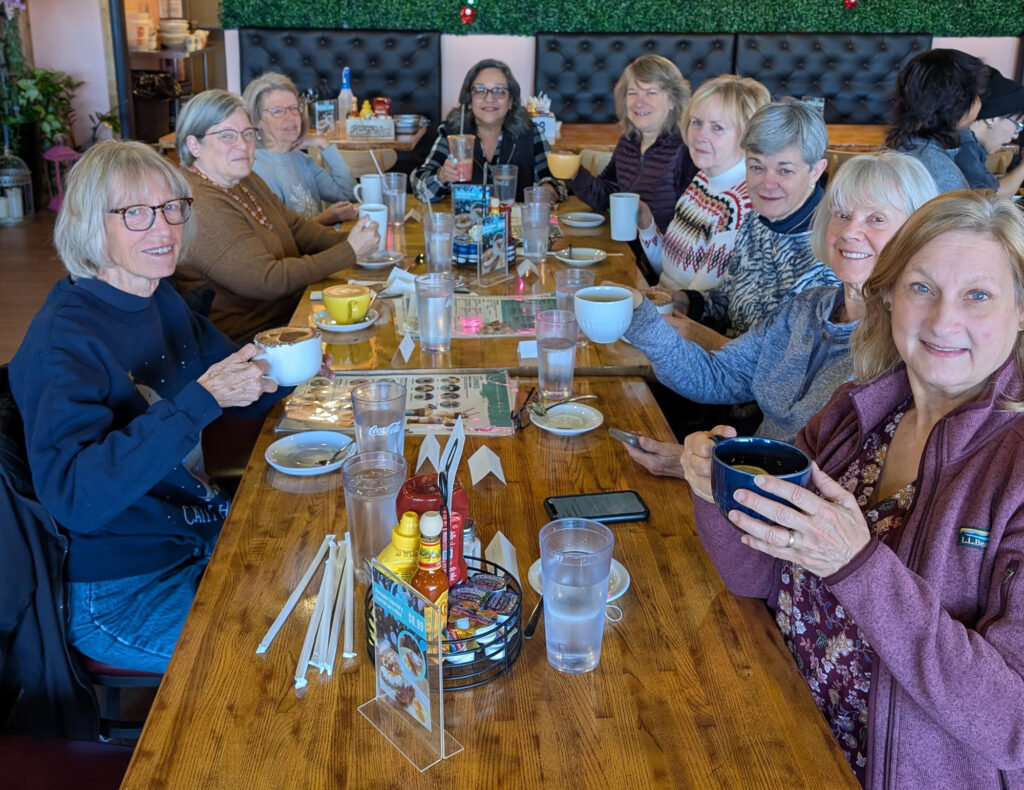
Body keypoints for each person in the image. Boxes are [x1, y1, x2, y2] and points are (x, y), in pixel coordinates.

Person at [684, 190, 1024, 788]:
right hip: (774, 729)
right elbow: (760, 576)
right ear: (887, 294)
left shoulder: (1013, 467)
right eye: (922, 288)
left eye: (978, 295)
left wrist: (858, 565)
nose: (945, 320)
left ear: (1020, 312)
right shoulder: (857, 410)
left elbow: (1014, 724)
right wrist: (716, 491)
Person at [8, 140, 281, 673]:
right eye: (135, 213)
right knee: (289, 656)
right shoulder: (63, 341)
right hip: (121, 591)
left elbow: (240, 385)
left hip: (195, 532)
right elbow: (76, 497)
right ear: (91, 222)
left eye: (171, 208)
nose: (163, 228)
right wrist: (200, 401)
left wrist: (296, 377)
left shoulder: (157, 294)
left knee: (337, 590)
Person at [622, 152, 937, 477]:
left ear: (915, 234)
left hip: (785, 511)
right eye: (842, 214)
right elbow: (718, 376)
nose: (849, 231)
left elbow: (835, 479)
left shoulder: (906, 345)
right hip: (742, 485)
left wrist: (714, 470)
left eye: (877, 219)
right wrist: (636, 316)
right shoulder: (807, 307)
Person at [174, 89, 379, 342]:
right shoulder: (199, 202)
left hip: (293, 312)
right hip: (252, 341)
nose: (242, 145)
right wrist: (349, 251)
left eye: (248, 134)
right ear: (194, 144)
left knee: (381, 312)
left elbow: (294, 226)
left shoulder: (243, 179)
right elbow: (266, 280)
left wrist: (355, 242)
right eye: (227, 135)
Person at [665, 99, 838, 351]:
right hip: (721, 366)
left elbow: (788, 372)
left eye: (785, 171)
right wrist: (682, 301)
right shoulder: (756, 221)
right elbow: (729, 300)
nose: (766, 184)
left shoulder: (828, 254)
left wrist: (706, 339)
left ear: (815, 171)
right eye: (756, 166)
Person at [636, 75, 770, 291]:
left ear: (748, 135)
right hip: (664, 305)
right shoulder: (704, 179)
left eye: (717, 127)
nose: (699, 136)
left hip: (681, 320)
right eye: (696, 122)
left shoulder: (740, 204)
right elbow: (668, 272)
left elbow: (697, 303)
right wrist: (647, 225)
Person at [566, 54, 698, 233]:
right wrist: (573, 172)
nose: (639, 102)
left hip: (663, 256)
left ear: (672, 101)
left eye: (651, 93)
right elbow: (605, 196)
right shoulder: (629, 142)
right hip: (627, 249)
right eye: (632, 93)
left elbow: (692, 225)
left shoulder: (686, 149)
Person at [410, 59, 565, 204]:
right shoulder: (453, 132)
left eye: (499, 90)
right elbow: (419, 186)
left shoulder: (530, 132)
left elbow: (555, 181)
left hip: (516, 228)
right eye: (480, 90)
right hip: (466, 226)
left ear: (511, 101)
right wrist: (441, 176)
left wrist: (549, 190)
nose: (489, 98)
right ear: (470, 100)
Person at [243, 71, 358, 225]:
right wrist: (324, 220)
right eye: (277, 111)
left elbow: (347, 194)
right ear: (256, 120)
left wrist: (323, 143)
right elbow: (279, 237)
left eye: (293, 108)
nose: (290, 117)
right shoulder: (254, 169)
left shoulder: (301, 159)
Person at [885, 49, 989, 193]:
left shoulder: (908, 142)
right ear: (955, 102)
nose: (979, 102)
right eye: (977, 95)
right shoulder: (943, 175)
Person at [954, 66, 1024, 195]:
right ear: (992, 118)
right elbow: (993, 199)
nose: (1015, 136)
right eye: (1018, 126)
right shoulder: (964, 146)